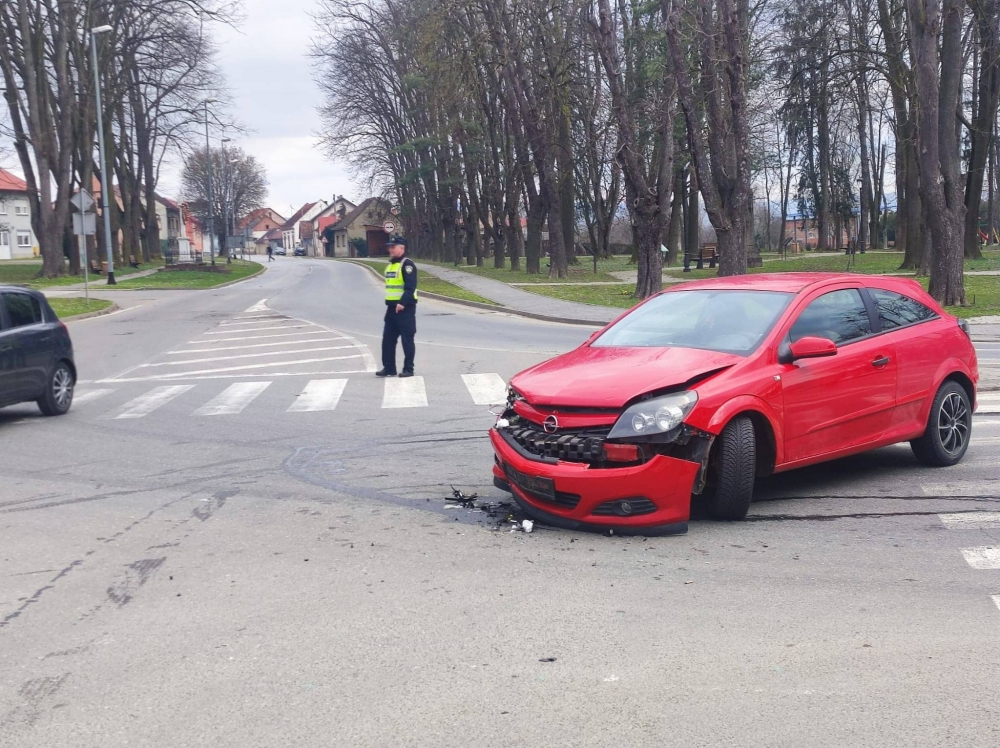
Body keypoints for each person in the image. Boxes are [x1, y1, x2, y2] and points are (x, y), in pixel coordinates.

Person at [376, 237, 418, 378]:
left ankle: (408, 369)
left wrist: (402, 303)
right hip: (391, 308)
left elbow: (410, 287)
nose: (390, 249)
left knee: (407, 339)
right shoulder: (391, 265)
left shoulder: (407, 265)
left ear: (402, 248)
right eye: (390, 247)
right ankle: (389, 368)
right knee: (387, 339)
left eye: (393, 247)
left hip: (405, 308)